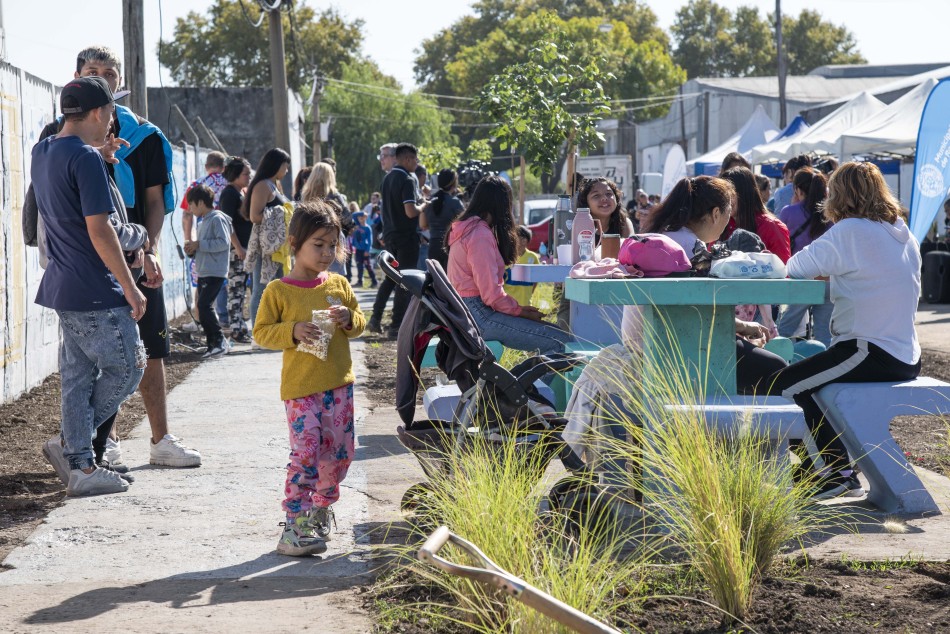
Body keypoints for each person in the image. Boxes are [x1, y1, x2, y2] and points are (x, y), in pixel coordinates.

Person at [72, 46, 200, 468]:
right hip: (85, 261)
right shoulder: (62, 137)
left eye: (109, 72)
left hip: (136, 256)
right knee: (92, 356)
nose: (102, 78)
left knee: (152, 348)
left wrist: (149, 250)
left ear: (120, 82)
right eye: (92, 70)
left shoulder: (145, 136)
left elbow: (154, 202)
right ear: (77, 76)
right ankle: (101, 441)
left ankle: (161, 440)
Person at [766, 162, 921, 499]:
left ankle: (833, 472)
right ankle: (834, 466)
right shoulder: (901, 232)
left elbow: (796, 266)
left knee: (782, 387)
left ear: (838, 196)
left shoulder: (851, 230)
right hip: (904, 354)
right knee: (810, 383)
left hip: (868, 349)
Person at [32, 76, 145, 496]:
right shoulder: (85, 159)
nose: (113, 121)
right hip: (96, 288)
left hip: (63, 287)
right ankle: (73, 445)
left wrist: (99, 153)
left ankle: (80, 465)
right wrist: (130, 286)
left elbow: (70, 160)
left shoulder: (44, 151)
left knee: (78, 378)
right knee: (129, 367)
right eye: (112, 112)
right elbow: (101, 230)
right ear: (97, 113)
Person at [252, 200, 366, 556]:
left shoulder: (339, 284)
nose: (327, 253)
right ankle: (293, 524)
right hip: (301, 390)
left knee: (340, 454)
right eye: (318, 245)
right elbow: (261, 332)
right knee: (306, 452)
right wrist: (292, 330)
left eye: (332, 245)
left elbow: (360, 323)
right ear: (294, 243)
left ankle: (320, 508)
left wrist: (349, 318)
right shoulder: (278, 291)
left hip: (339, 386)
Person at [630, 176, 788, 393]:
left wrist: (742, 326)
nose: (729, 221)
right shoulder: (693, 249)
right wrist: (742, 328)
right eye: (728, 212)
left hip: (642, 342)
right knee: (777, 369)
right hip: (676, 349)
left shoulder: (662, 236)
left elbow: (691, 310)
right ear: (715, 213)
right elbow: (696, 317)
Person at [447, 176, 571, 356]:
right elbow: (491, 295)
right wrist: (520, 311)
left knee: (558, 336)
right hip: (479, 315)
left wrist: (519, 310)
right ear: (502, 203)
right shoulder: (479, 234)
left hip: (469, 312)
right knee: (562, 342)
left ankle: (530, 375)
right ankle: (530, 376)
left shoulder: (466, 228)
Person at [368, 143, 429, 337]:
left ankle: (375, 318)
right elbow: (410, 211)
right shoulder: (408, 178)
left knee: (390, 278)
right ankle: (396, 325)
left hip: (390, 236)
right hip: (406, 237)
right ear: (407, 159)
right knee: (405, 280)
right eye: (415, 160)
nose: (416, 164)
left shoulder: (387, 179)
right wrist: (423, 205)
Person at [778, 168, 833, 346]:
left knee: (783, 331)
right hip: (828, 280)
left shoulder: (788, 212)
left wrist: (794, 204)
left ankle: (777, 360)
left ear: (797, 190)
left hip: (802, 280)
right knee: (824, 335)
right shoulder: (831, 215)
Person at [181, 151, 230, 329]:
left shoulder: (196, 185)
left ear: (206, 166)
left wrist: (189, 241)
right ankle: (225, 319)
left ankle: (200, 321)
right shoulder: (231, 184)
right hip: (231, 239)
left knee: (202, 282)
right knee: (224, 281)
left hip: (202, 241)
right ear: (223, 167)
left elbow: (187, 215)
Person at [244, 147, 292, 327]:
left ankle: (273, 329)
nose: (287, 170)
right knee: (261, 289)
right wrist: (281, 214)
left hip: (279, 247)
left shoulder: (275, 185)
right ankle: (258, 332)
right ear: (276, 165)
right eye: (285, 165)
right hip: (266, 247)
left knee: (278, 288)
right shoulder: (262, 185)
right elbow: (254, 216)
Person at [184, 184, 233, 358]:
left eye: (191, 204)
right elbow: (205, 246)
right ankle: (213, 344)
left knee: (204, 306)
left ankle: (219, 341)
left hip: (215, 271)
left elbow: (223, 243)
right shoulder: (203, 221)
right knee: (203, 307)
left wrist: (199, 244)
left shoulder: (217, 219)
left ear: (201, 202)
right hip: (205, 271)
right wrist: (193, 250)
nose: (190, 209)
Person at [720, 167, 791, 263]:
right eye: (723, 194)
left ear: (745, 193)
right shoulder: (721, 225)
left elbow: (783, 267)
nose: (726, 199)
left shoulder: (772, 227)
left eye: (731, 193)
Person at [219, 156, 253, 343]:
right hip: (236, 251)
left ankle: (240, 327)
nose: (249, 177)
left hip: (243, 249)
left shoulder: (239, 192)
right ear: (236, 175)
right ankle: (235, 330)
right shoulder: (229, 194)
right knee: (236, 290)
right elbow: (228, 223)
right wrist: (238, 247)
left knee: (241, 291)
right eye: (246, 174)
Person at [300, 161, 352, 277]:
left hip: (311, 238)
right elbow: (348, 218)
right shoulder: (334, 195)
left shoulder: (306, 195)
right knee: (334, 277)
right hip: (332, 237)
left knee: (313, 276)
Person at [420, 168, 463, 269]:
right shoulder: (455, 202)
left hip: (433, 245)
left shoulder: (429, 201)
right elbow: (464, 224)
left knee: (435, 277)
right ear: (454, 182)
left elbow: (423, 225)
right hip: (450, 246)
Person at [503, 225, 540, 307]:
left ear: (524, 240)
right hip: (508, 304)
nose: (511, 239)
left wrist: (529, 293)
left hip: (525, 303)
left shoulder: (533, 257)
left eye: (514, 236)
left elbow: (536, 279)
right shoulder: (506, 257)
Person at [350, 210, 378, 287]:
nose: (361, 219)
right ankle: (360, 282)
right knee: (359, 266)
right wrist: (362, 213)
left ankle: (374, 282)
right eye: (360, 218)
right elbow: (353, 215)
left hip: (365, 250)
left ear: (366, 218)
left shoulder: (367, 228)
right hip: (358, 250)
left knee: (368, 266)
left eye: (363, 217)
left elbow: (370, 240)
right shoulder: (357, 226)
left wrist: (367, 250)